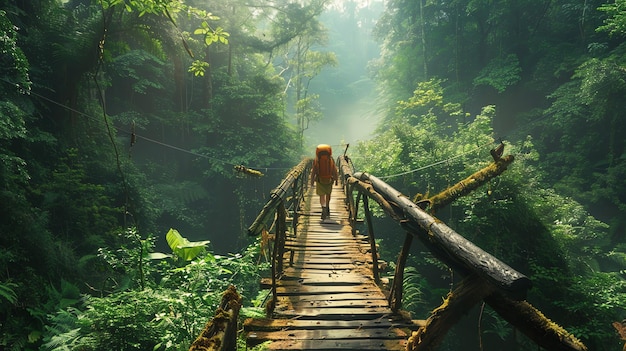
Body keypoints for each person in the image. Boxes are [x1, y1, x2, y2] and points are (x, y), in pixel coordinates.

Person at [310, 144, 338, 219]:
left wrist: (312, 181)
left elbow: (313, 171)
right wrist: (336, 180)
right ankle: (328, 206)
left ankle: (323, 207)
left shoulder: (316, 160)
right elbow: (334, 170)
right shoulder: (331, 159)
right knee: (328, 194)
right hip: (329, 179)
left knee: (321, 195)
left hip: (320, 180)